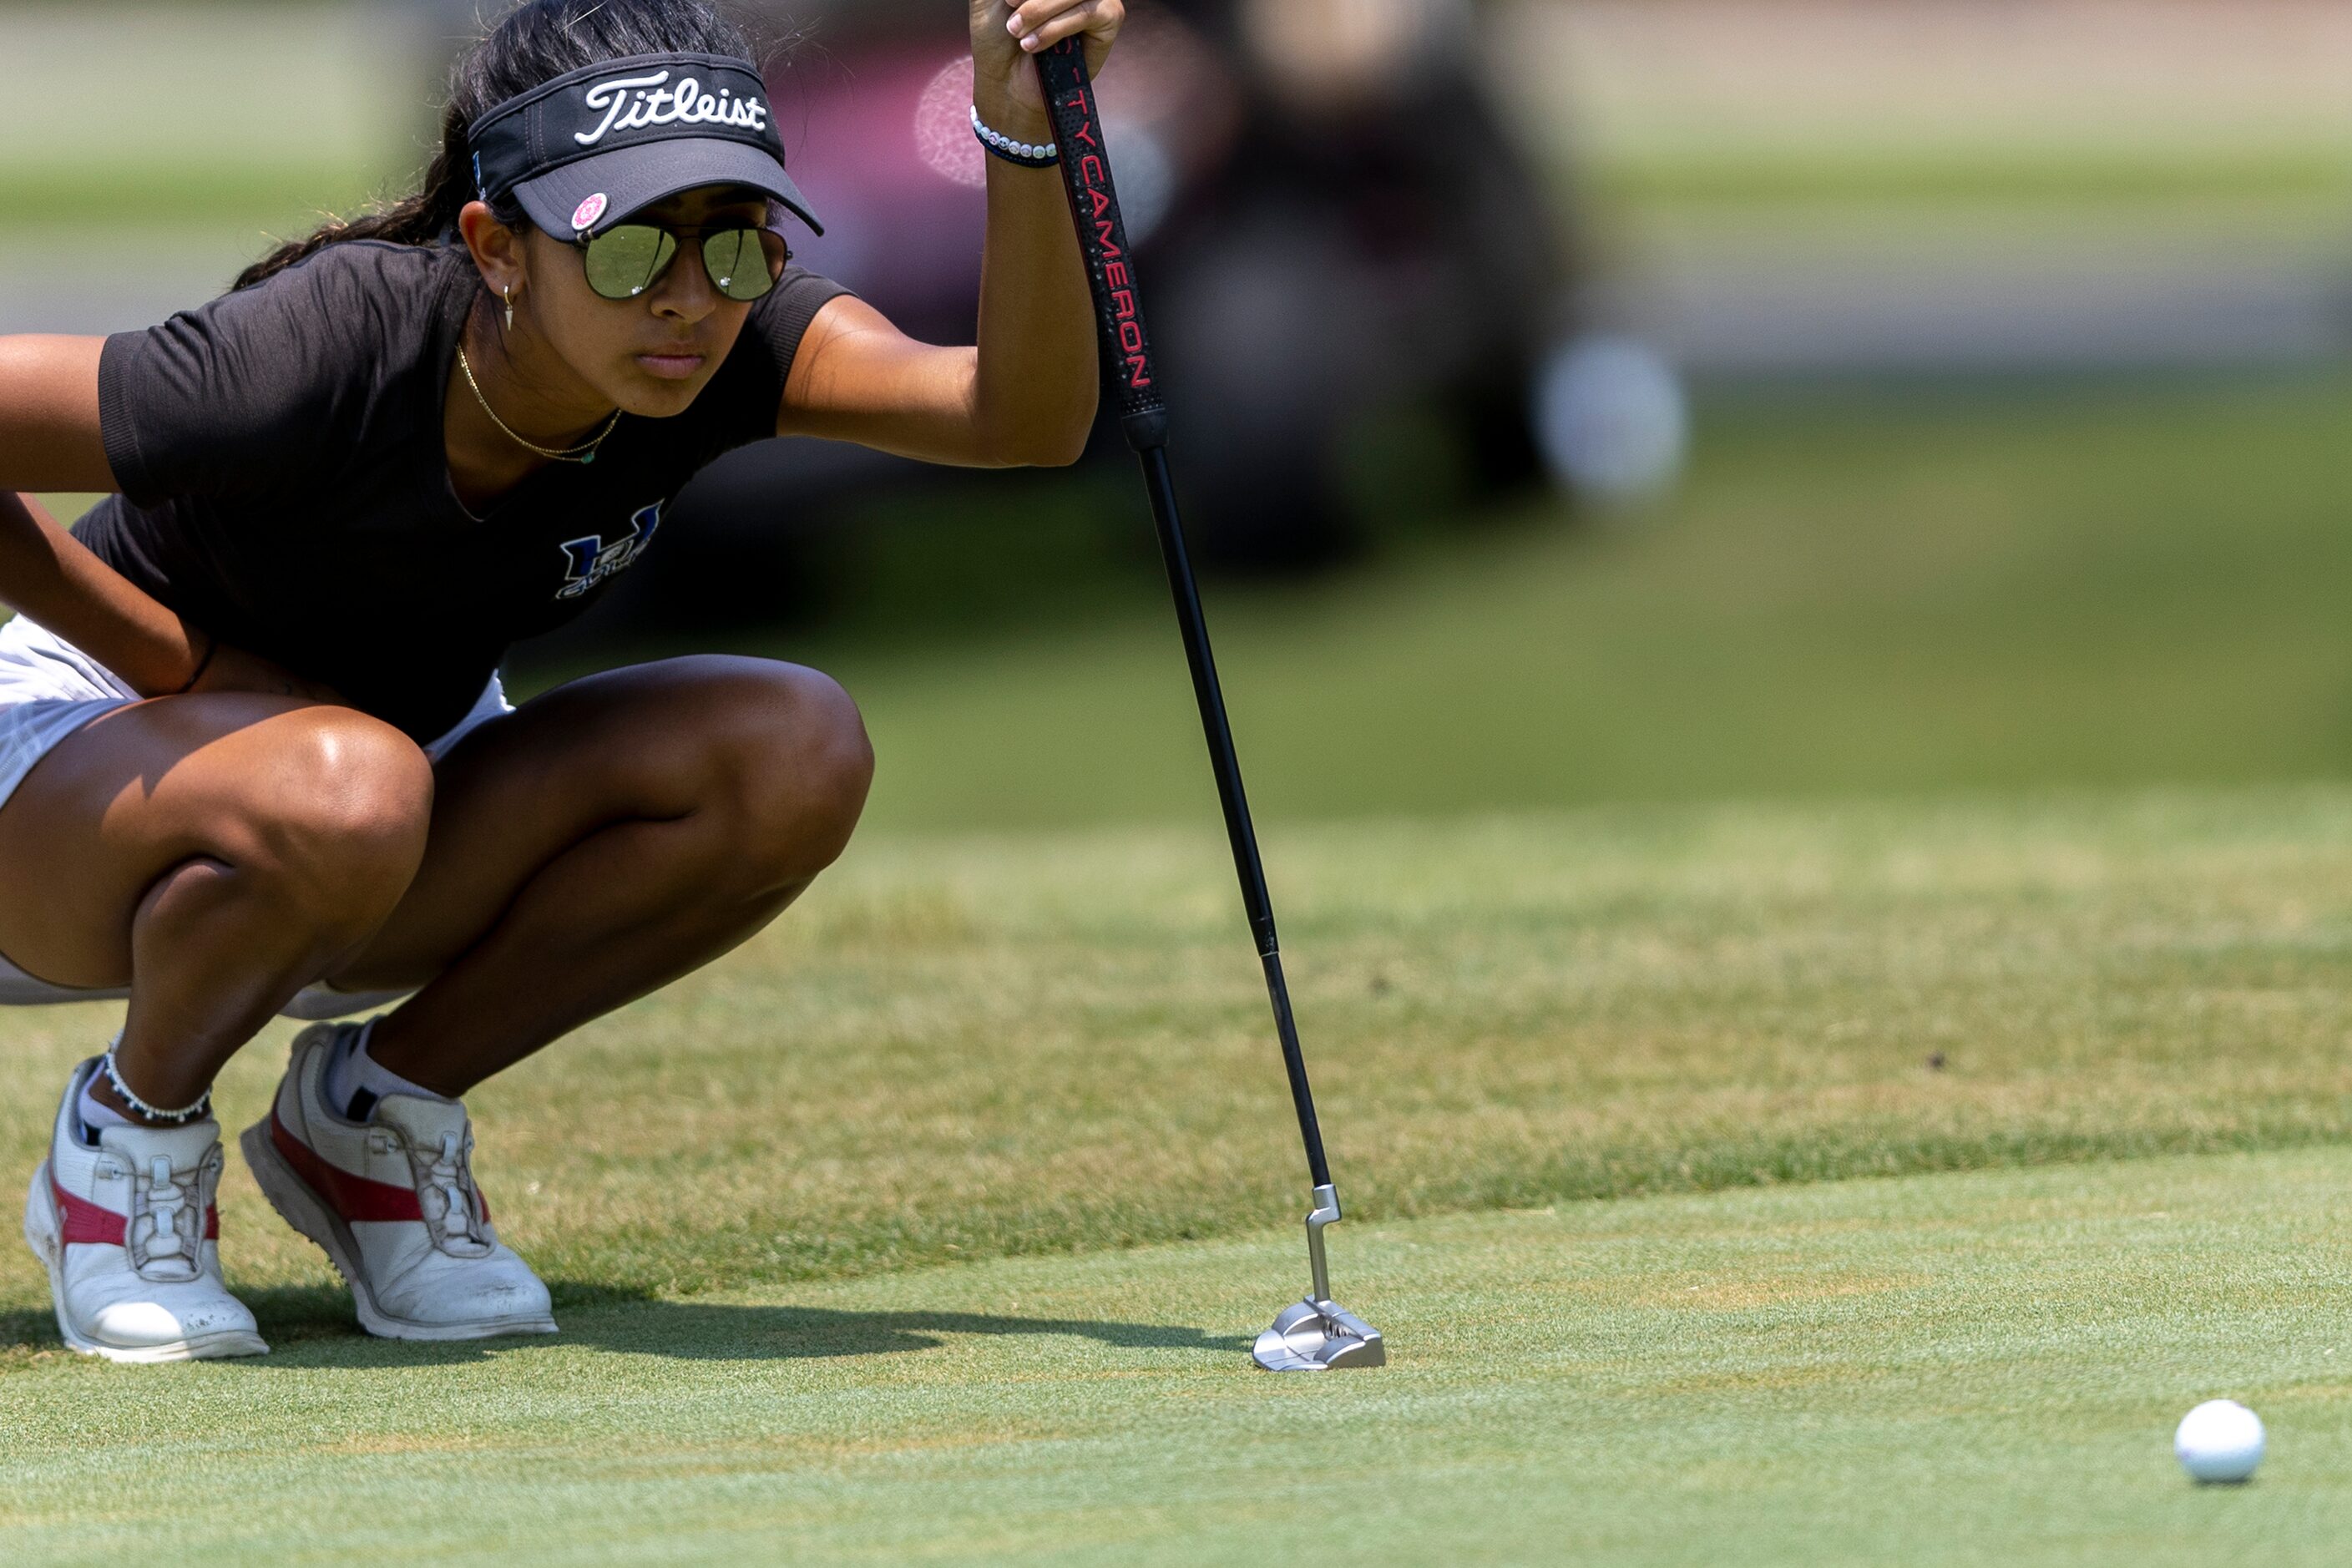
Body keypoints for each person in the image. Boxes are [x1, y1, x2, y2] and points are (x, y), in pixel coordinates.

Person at [0, 0, 1121, 1362]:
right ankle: (129, 1136)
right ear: (498, 247)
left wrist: (1019, 128)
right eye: (632, 242)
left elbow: (1021, 417)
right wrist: (175, 664)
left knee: (789, 746)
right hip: (79, 767)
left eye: (735, 239)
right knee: (347, 784)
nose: (688, 296)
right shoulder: (324, 350)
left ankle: (370, 1122)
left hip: (371, 788)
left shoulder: (723, 343)